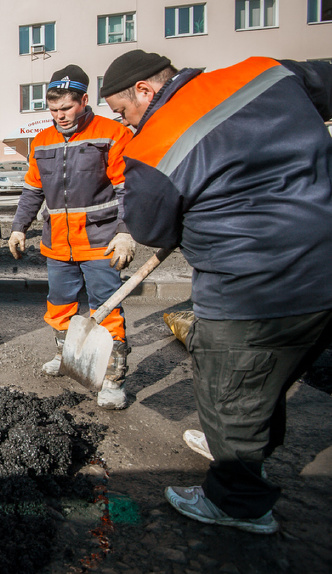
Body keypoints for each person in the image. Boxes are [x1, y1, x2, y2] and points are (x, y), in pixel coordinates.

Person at [102, 49, 332, 534]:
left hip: (254, 285)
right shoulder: (262, 72)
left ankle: (239, 501)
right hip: (323, 268)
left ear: (144, 90)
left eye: (122, 111)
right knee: (266, 375)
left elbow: (154, 228)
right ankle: (241, 449)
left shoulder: (155, 144)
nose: (124, 123)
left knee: (230, 392)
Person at [8, 64, 136, 410]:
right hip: (58, 243)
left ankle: (112, 379)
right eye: (53, 110)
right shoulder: (43, 141)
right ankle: (68, 357)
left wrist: (125, 233)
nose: (59, 116)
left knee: (106, 308)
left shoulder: (111, 134)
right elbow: (33, 190)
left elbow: (128, 190)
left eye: (66, 108)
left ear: (84, 100)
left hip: (100, 240)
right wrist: (19, 226)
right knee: (60, 304)